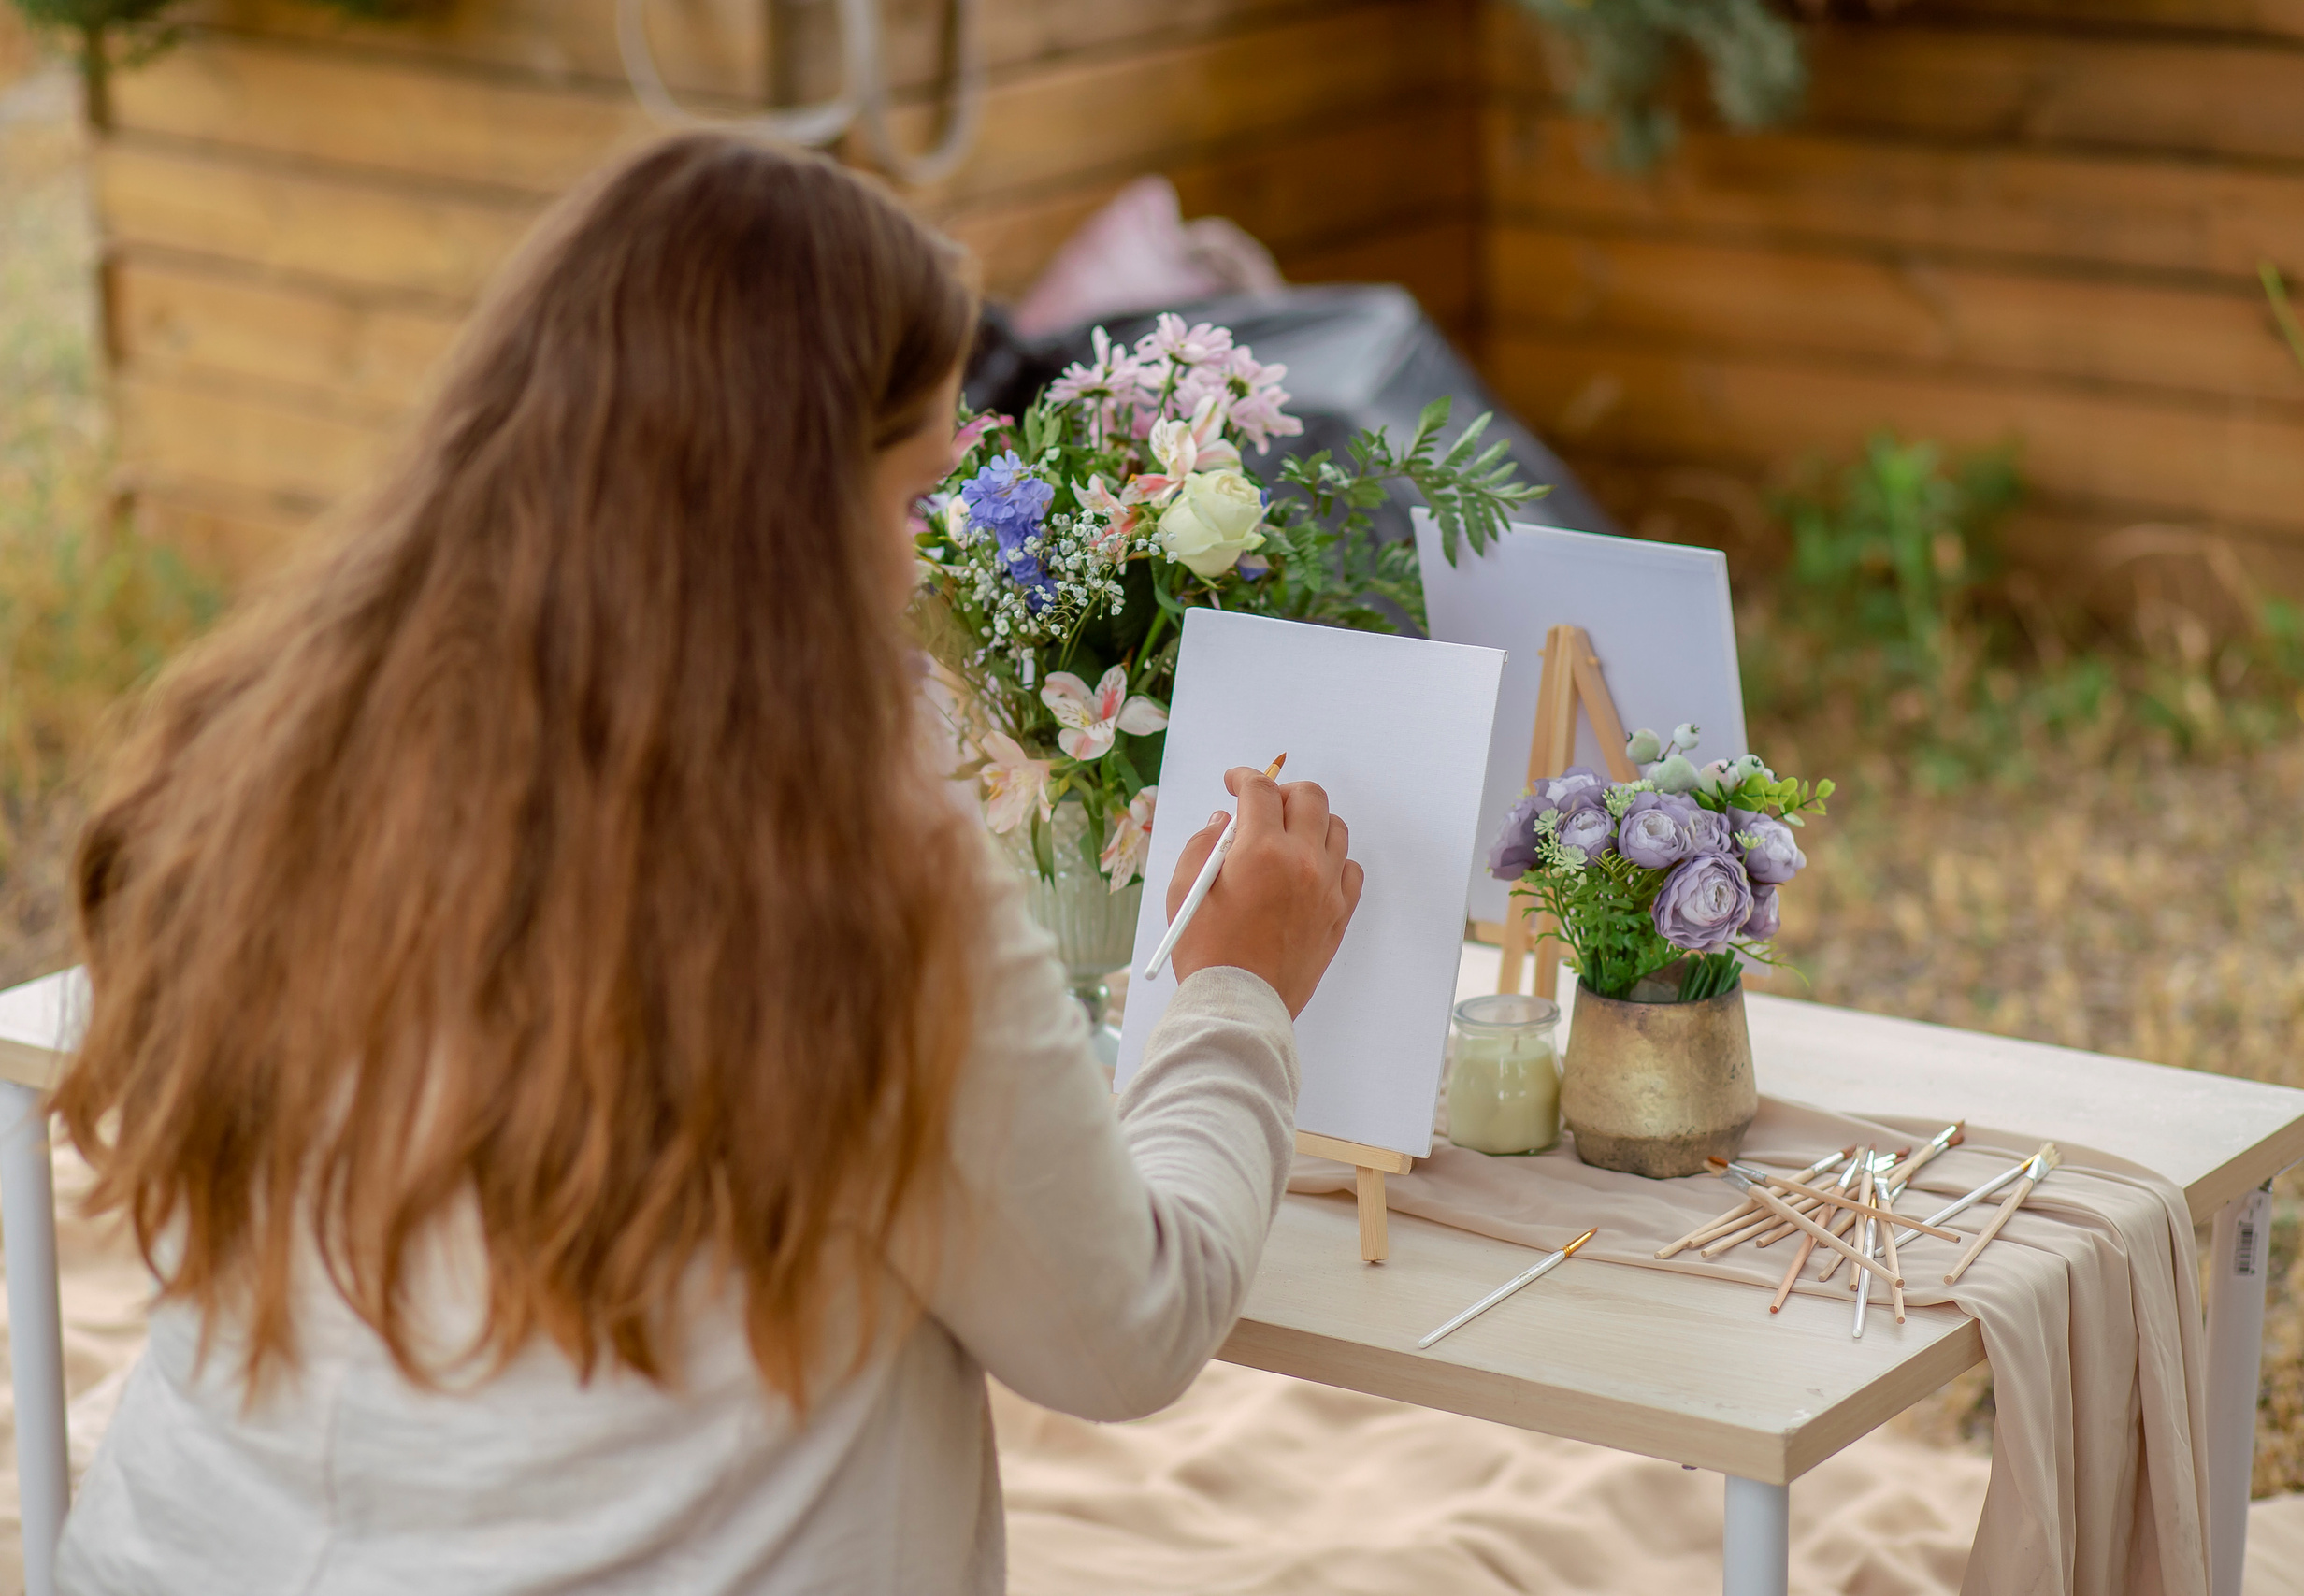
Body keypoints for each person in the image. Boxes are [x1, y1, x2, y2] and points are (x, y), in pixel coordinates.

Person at [53, 133, 1361, 1594]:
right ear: (785, 517)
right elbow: (1126, 1331)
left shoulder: (266, 743)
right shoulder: (845, 873)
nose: (920, 566)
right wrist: (1239, 992)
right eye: (909, 501)